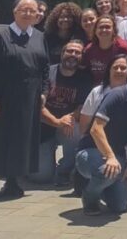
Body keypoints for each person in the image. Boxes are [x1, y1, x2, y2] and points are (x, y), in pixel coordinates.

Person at [0, 0, 49, 199]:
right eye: (23, 10)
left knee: (21, 141)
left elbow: (44, 68)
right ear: (14, 12)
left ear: (37, 15)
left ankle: (13, 181)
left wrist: (43, 92)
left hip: (29, 100)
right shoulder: (1, 37)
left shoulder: (39, 37)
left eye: (32, 11)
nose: (27, 13)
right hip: (4, 99)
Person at [75, 61, 127, 215]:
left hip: (118, 156)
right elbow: (96, 129)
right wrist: (110, 157)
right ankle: (90, 197)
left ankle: (102, 184)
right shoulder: (116, 96)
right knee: (107, 171)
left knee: (120, 206)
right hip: (89, 151)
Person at [36, 40, 92, 185]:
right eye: (69, 51)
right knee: (41, 177)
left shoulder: (85, 77)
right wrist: (56, 121)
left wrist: (69, 117)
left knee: (77, 131)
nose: (73, 55)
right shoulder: (48, 72)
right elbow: (38, 104)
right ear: (62, 54)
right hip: (44, 125)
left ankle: (65, 171)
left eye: (77, 52)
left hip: (68, 124)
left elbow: (82, 106)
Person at [79, 54, 127, 133]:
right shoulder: (97, 92)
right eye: (115, 67)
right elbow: (84, 123)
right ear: (109, 70)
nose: (118, 70)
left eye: (123, 68)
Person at [82, 15, 127, 85]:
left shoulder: (124, 48)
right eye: (101, 27)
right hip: (97, 89)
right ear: (95, 30)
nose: (104, 30)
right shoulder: (89, 50)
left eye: (107, 27)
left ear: (114, 30)